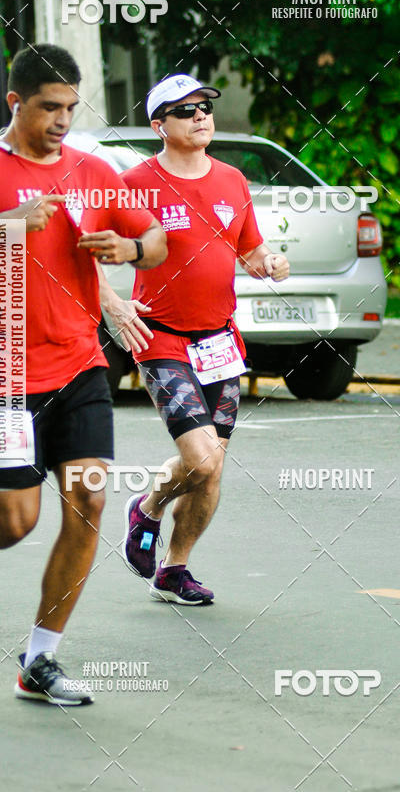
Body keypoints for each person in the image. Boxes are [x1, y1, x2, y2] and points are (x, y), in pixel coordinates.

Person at [0, 44, 167, 705]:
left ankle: (40, 658)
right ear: (15, 102)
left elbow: (157, 238)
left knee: (88, 501)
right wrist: (3, 224)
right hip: (0, 375)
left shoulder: (92, 170)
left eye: (69, 107)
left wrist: (131, 248)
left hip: (80, 363)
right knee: (13, 522)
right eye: (47, 107)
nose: (61, 119)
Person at [118, 73, 289, 605]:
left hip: (220, 342)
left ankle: (174, 570)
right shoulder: (134, 184)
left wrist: (269, 262)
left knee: (213, 470)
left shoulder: (233, 181)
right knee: (202, 459)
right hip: (162, 338)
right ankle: (145, 509)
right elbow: (88, 251)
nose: (199, 116)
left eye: (204, 108)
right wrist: (113, 302)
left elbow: (249, 249)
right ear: (158, 125)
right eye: (184, 110)